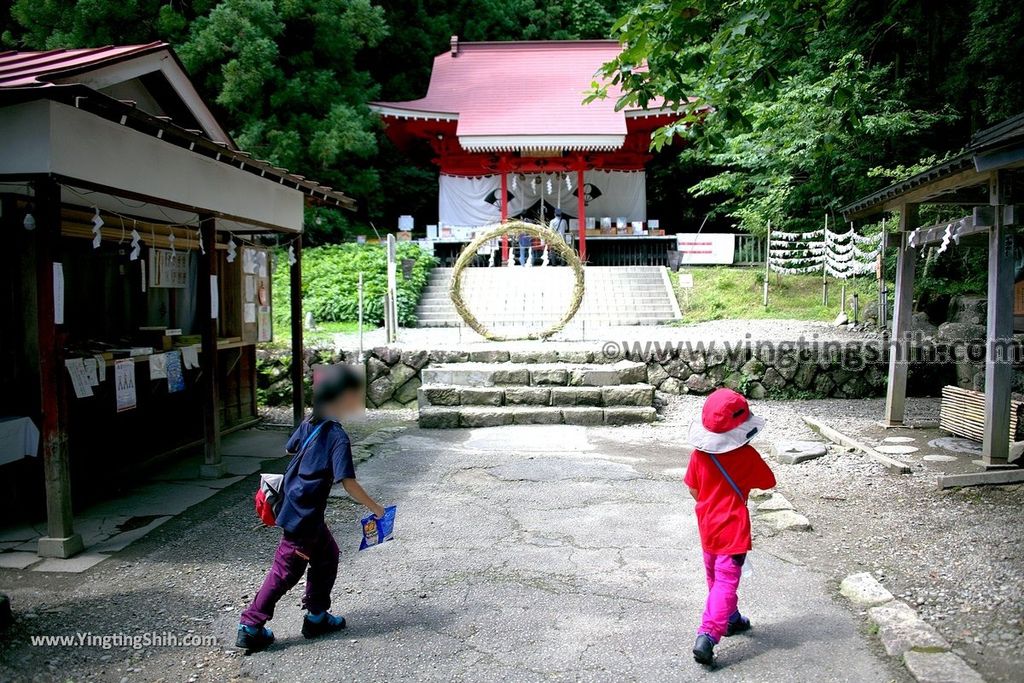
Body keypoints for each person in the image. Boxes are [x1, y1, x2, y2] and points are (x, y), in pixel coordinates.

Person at [237, 365, 386, 654]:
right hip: (304, 516)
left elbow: (290, 449)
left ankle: (317, 615)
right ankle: (250, 625)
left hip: (300, 509)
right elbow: (348, 482)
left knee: (327, 554)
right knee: (285, 572)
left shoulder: (310, 423)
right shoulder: (337, 437)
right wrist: (376, 508)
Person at [683, 388, 776, 665]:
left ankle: (732, 618)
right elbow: (768, 481)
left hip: (707, 526)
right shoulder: (746, 456)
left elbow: (693, 490)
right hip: (733, 530)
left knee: (715, 578)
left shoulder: (699, 456)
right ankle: (708, 634)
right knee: (725, 580)